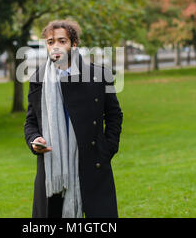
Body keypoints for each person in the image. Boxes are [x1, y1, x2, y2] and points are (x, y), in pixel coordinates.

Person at [24, 19, 123, 218]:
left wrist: (107, 148)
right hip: (53, 168)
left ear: (74, 44)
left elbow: (114, 115)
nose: (55, 46)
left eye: (62, 41)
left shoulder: (99, 75)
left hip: (92, 162)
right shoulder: (38, 78)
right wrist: (34, 140)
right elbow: (31, 122)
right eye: (51, 42)